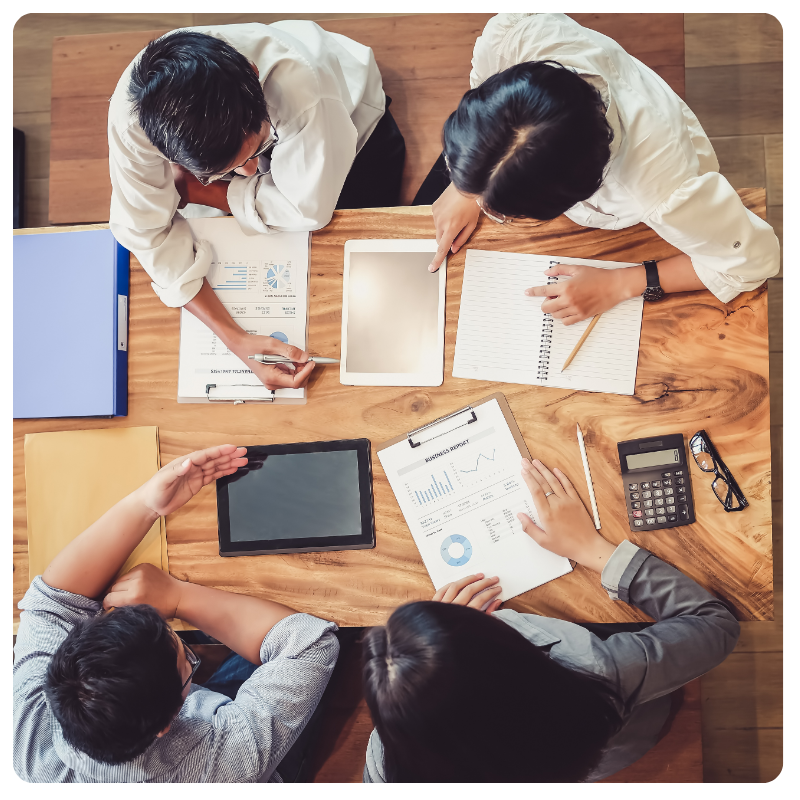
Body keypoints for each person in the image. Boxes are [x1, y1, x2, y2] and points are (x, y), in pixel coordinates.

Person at [361, 457, 740, 782]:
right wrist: (592, 549)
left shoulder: (388, 759)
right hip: (618, 738)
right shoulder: (597, 669)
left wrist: (435, 660)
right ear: (503, 649)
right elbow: (715, 625)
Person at [417, 13, 779, 324]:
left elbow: (752, 262)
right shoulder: (514, 36)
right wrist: (475, 179)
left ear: (580, 188)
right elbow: (501, 123)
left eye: (510, 212)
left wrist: (620, 283)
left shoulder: (662, 190)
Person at [13, 444, 339, 783]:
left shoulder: (28, 730)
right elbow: (310, 643)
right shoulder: (222, 762)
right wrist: (179, 597)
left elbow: (53, 603)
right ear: (167, 723)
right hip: (238, 751)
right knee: (326, 618)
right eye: (187, 661)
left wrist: (145, 504)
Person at [109, 22, 405, 390]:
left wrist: (209, 192)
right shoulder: (133, 120)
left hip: (353, 125)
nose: (249, 172)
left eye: (256, 150)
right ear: (164, 150)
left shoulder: (302, 88)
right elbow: (146, 233)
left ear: (254, 73)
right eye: (225, 171)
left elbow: (308, 209)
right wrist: (237, 341)